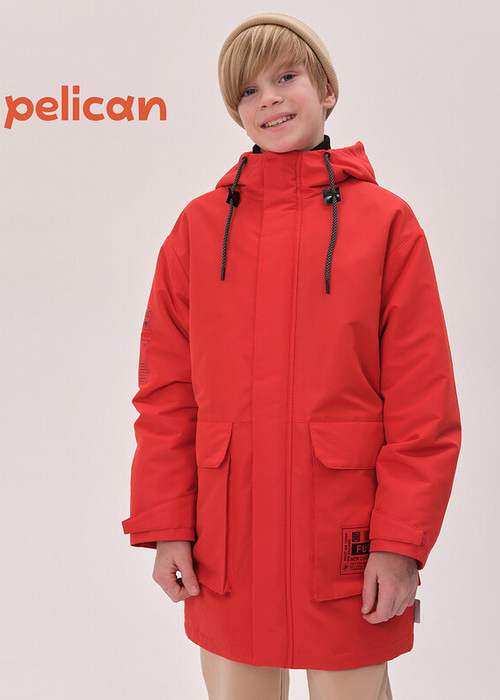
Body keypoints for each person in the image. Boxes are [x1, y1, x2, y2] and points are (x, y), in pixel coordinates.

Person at [121, 12, 462, 700]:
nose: (270, 99)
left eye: (286, 77)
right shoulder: (197, 229)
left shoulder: (386, 224)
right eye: (248, 91)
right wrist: (167, 526)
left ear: (327, 90)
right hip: (227, 539)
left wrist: (400, 542)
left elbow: (423, 404)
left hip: (344, 535)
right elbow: (166, 395)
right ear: (236, 113)